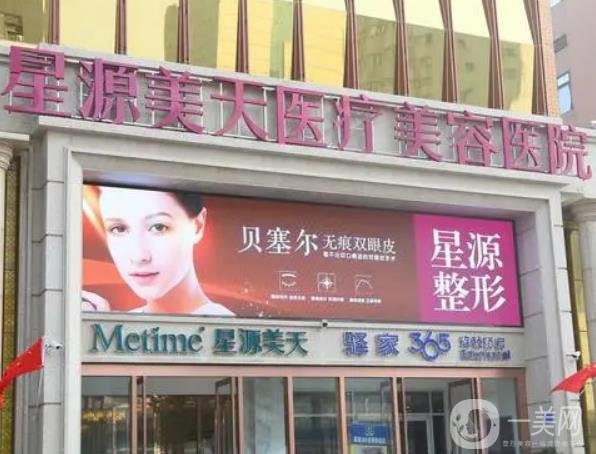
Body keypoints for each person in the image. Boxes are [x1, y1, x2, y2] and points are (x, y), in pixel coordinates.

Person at [82, 186, 234, 316]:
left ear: (198, 226)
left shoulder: (227, 328)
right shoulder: (121, 323)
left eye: (159, 227)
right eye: (119, 229)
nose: (139, 256)